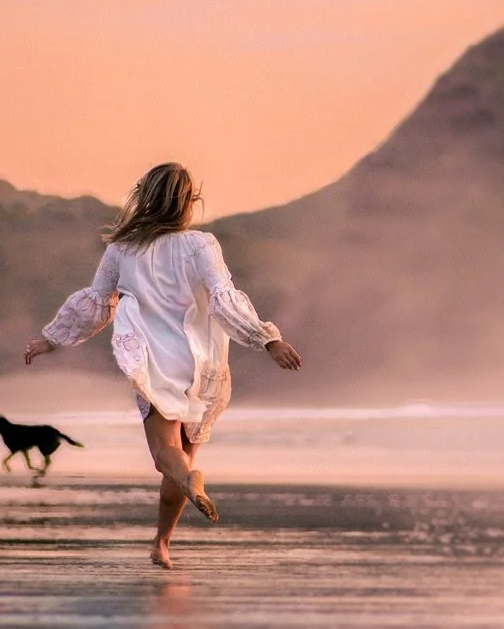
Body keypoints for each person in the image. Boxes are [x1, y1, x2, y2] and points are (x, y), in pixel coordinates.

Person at [25, 162, 302, 568]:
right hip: (201, 359)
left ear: (144, 197)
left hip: (155, 360)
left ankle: (189, 486)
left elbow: (99, 304)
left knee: (166, 455)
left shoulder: (121, 249)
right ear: (188, 202)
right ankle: (162, 543)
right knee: (183, 456)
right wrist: (268, 340)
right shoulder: (202, 244)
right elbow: (224, 296)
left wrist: (52, 339)